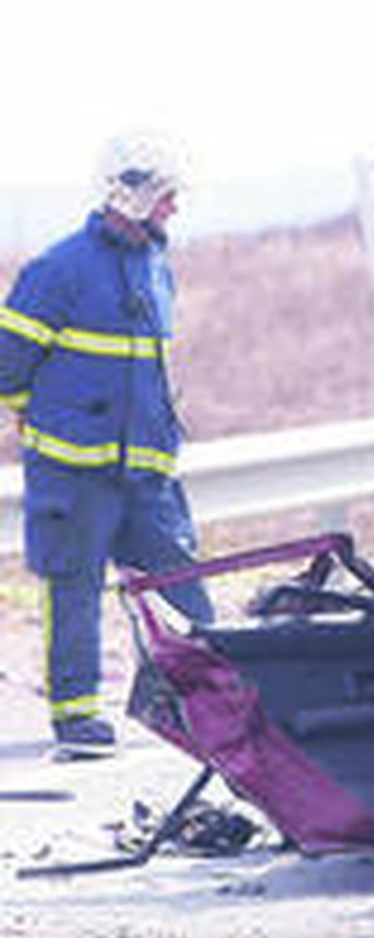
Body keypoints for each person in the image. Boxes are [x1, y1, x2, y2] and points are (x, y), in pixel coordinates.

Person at [0, 135, 215, 757]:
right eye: (166, 196)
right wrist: (34, 415)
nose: (174, 207)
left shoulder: (155, 265)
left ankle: (213, 704)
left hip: (145, 472)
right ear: (131, 194)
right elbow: (7, 365)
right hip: (74, 472)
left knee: (184, 586)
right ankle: (77, 719)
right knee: (74, 588)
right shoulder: (57, 269)